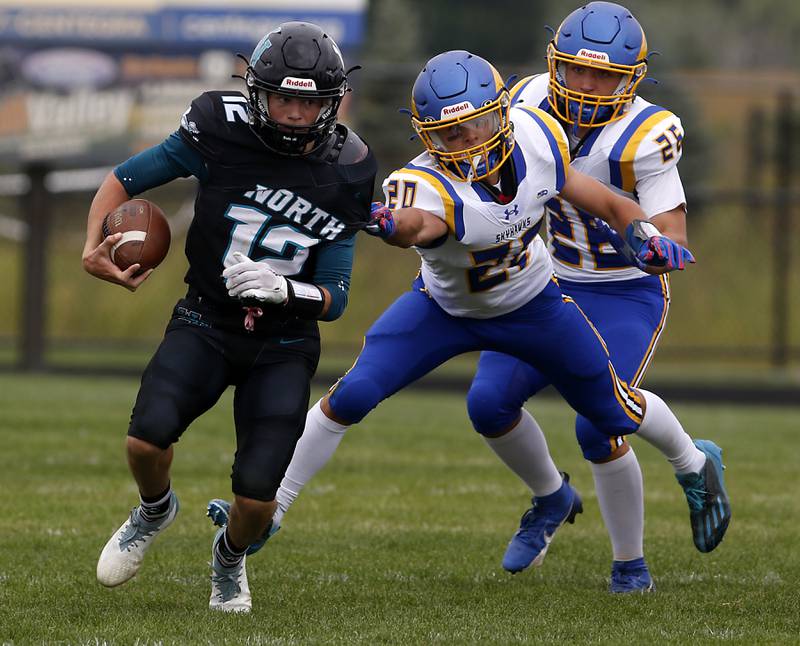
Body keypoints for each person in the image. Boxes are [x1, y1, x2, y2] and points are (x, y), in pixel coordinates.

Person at [210, 48, 701, 588]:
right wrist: (384, 222)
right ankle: (273, 510)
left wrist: (644, 236)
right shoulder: (421, 182)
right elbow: (415, 224)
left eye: (477, 127)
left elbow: (609, 204)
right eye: (449, 136)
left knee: (610, 411)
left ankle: (693, 466)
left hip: (534, 304)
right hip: (443, 308)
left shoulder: (538, 137)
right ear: (426, 138)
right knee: (350, 395)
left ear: (502, 113)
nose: (467, 145)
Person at [82, 21, 376, 613]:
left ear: (331, 103)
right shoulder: (217, 129)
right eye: (283, 98)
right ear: (256, 92)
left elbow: (336, 297)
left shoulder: (349, 166)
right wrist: (93, 247)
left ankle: (229, 557)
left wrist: (286, 290)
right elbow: (126, 178)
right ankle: (155, 509)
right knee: (145, 440)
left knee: (257, 499)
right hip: (207, 318)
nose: (294, 114)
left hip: (286, 341)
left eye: (309, 102)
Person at [464, 1, 730, 593]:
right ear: (553, 62)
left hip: (621, 290)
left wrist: (658, 247)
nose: (587, 86)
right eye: (577, 70)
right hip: (543, 282)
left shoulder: (646, 134)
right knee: (487, 405)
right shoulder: (523, 103)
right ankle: (550, 498)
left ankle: (633, 558)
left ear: (631, 78)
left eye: (604, 75)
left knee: (597, 422)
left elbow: (673, 229)